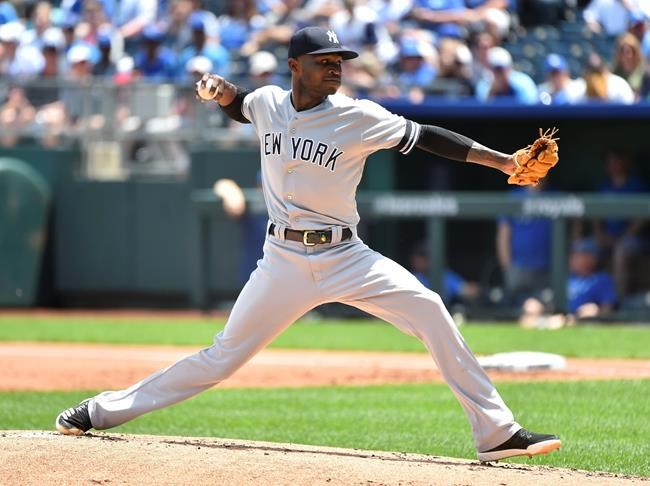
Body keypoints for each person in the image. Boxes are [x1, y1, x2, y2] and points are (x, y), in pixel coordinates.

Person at [56, 26, 561, 463]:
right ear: (295, 65)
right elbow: (240, 105)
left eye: (339, 62)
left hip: (346, 255)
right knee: (221, 358)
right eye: (324, 62)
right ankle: (100, 410)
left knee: (429, 309)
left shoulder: (358, 117)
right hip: (282, 263)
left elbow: (426, 136)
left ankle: (496, 433)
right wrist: (217, 89)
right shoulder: (270, 103)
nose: (335, 69)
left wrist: (502, 163)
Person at [496, 184, 552, 305]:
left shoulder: (555, 196)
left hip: (546, 268)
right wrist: (507, 267)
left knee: (545, 307)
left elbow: (575, 219)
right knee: (516, 309)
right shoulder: (513, 197)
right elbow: (503, 235)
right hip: (518, 267)